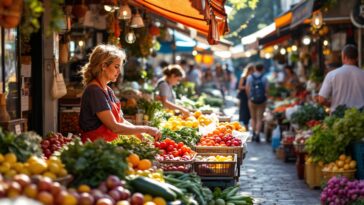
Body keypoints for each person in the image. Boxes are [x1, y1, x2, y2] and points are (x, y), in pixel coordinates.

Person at [79, 44, 161, 142]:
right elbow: (115, 127)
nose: (119, 72)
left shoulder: (107, 90)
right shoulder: (94, 91)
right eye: (116, 67)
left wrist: (140, 136)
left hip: (107, 147)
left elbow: (120, 120)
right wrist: (147, 129)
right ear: (104, 66)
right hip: (94, 150)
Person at [317, 44, 364, 112]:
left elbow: (321, 100)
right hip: (360, 117)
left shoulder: (332, 74)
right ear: (357, 57)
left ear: (343, 56)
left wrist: (330, 104)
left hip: (338, 117)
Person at [246, 63, 269, 142]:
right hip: (262, 101)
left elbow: (247, 88)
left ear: (255, 68)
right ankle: (258, 134)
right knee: (259, 118)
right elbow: (266, 90)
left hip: (252, 100)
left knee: (253, 118)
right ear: (262, 69)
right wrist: (266, 97)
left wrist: (249, 97)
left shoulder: (250, 77)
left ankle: (253, 133)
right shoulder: (265, 78)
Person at [237, 63, 254, 130]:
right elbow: (240, 87)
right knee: (244, 111)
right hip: (244, 96)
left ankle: (249, 126)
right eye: (252, 70)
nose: (253, 72)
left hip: (251, 96)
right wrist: (247, 87)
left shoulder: (253, 78)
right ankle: (246, 126)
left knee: (250, 112)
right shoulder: (243, 77)